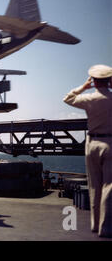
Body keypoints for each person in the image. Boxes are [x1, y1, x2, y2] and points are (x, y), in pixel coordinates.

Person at [63, 64, 112, 237]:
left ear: (94, 81)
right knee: (109, 186)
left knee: (94, 186)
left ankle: (95, 224)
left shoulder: (90, 98)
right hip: (110, 143)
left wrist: (83, 87)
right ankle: (106, 227)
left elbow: (68, 98)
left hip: (92, 143)